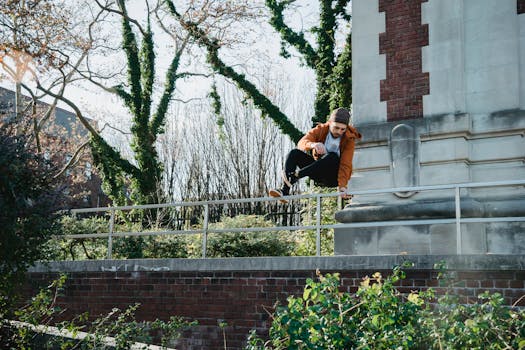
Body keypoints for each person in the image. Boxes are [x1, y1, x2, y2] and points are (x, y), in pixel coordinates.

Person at [269, 107, 361, 203]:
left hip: (333, 177)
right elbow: (302, 142)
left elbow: (345, 164)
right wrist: (313, 144)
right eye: (336, 128)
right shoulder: (320, 130)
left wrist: (342, 186)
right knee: (294, 153)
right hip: (317, 170)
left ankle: (296, 175)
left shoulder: (348, 140)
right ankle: (285, 191)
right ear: (330, 123)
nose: (339, 132)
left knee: (332, 156)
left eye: (343, 129)